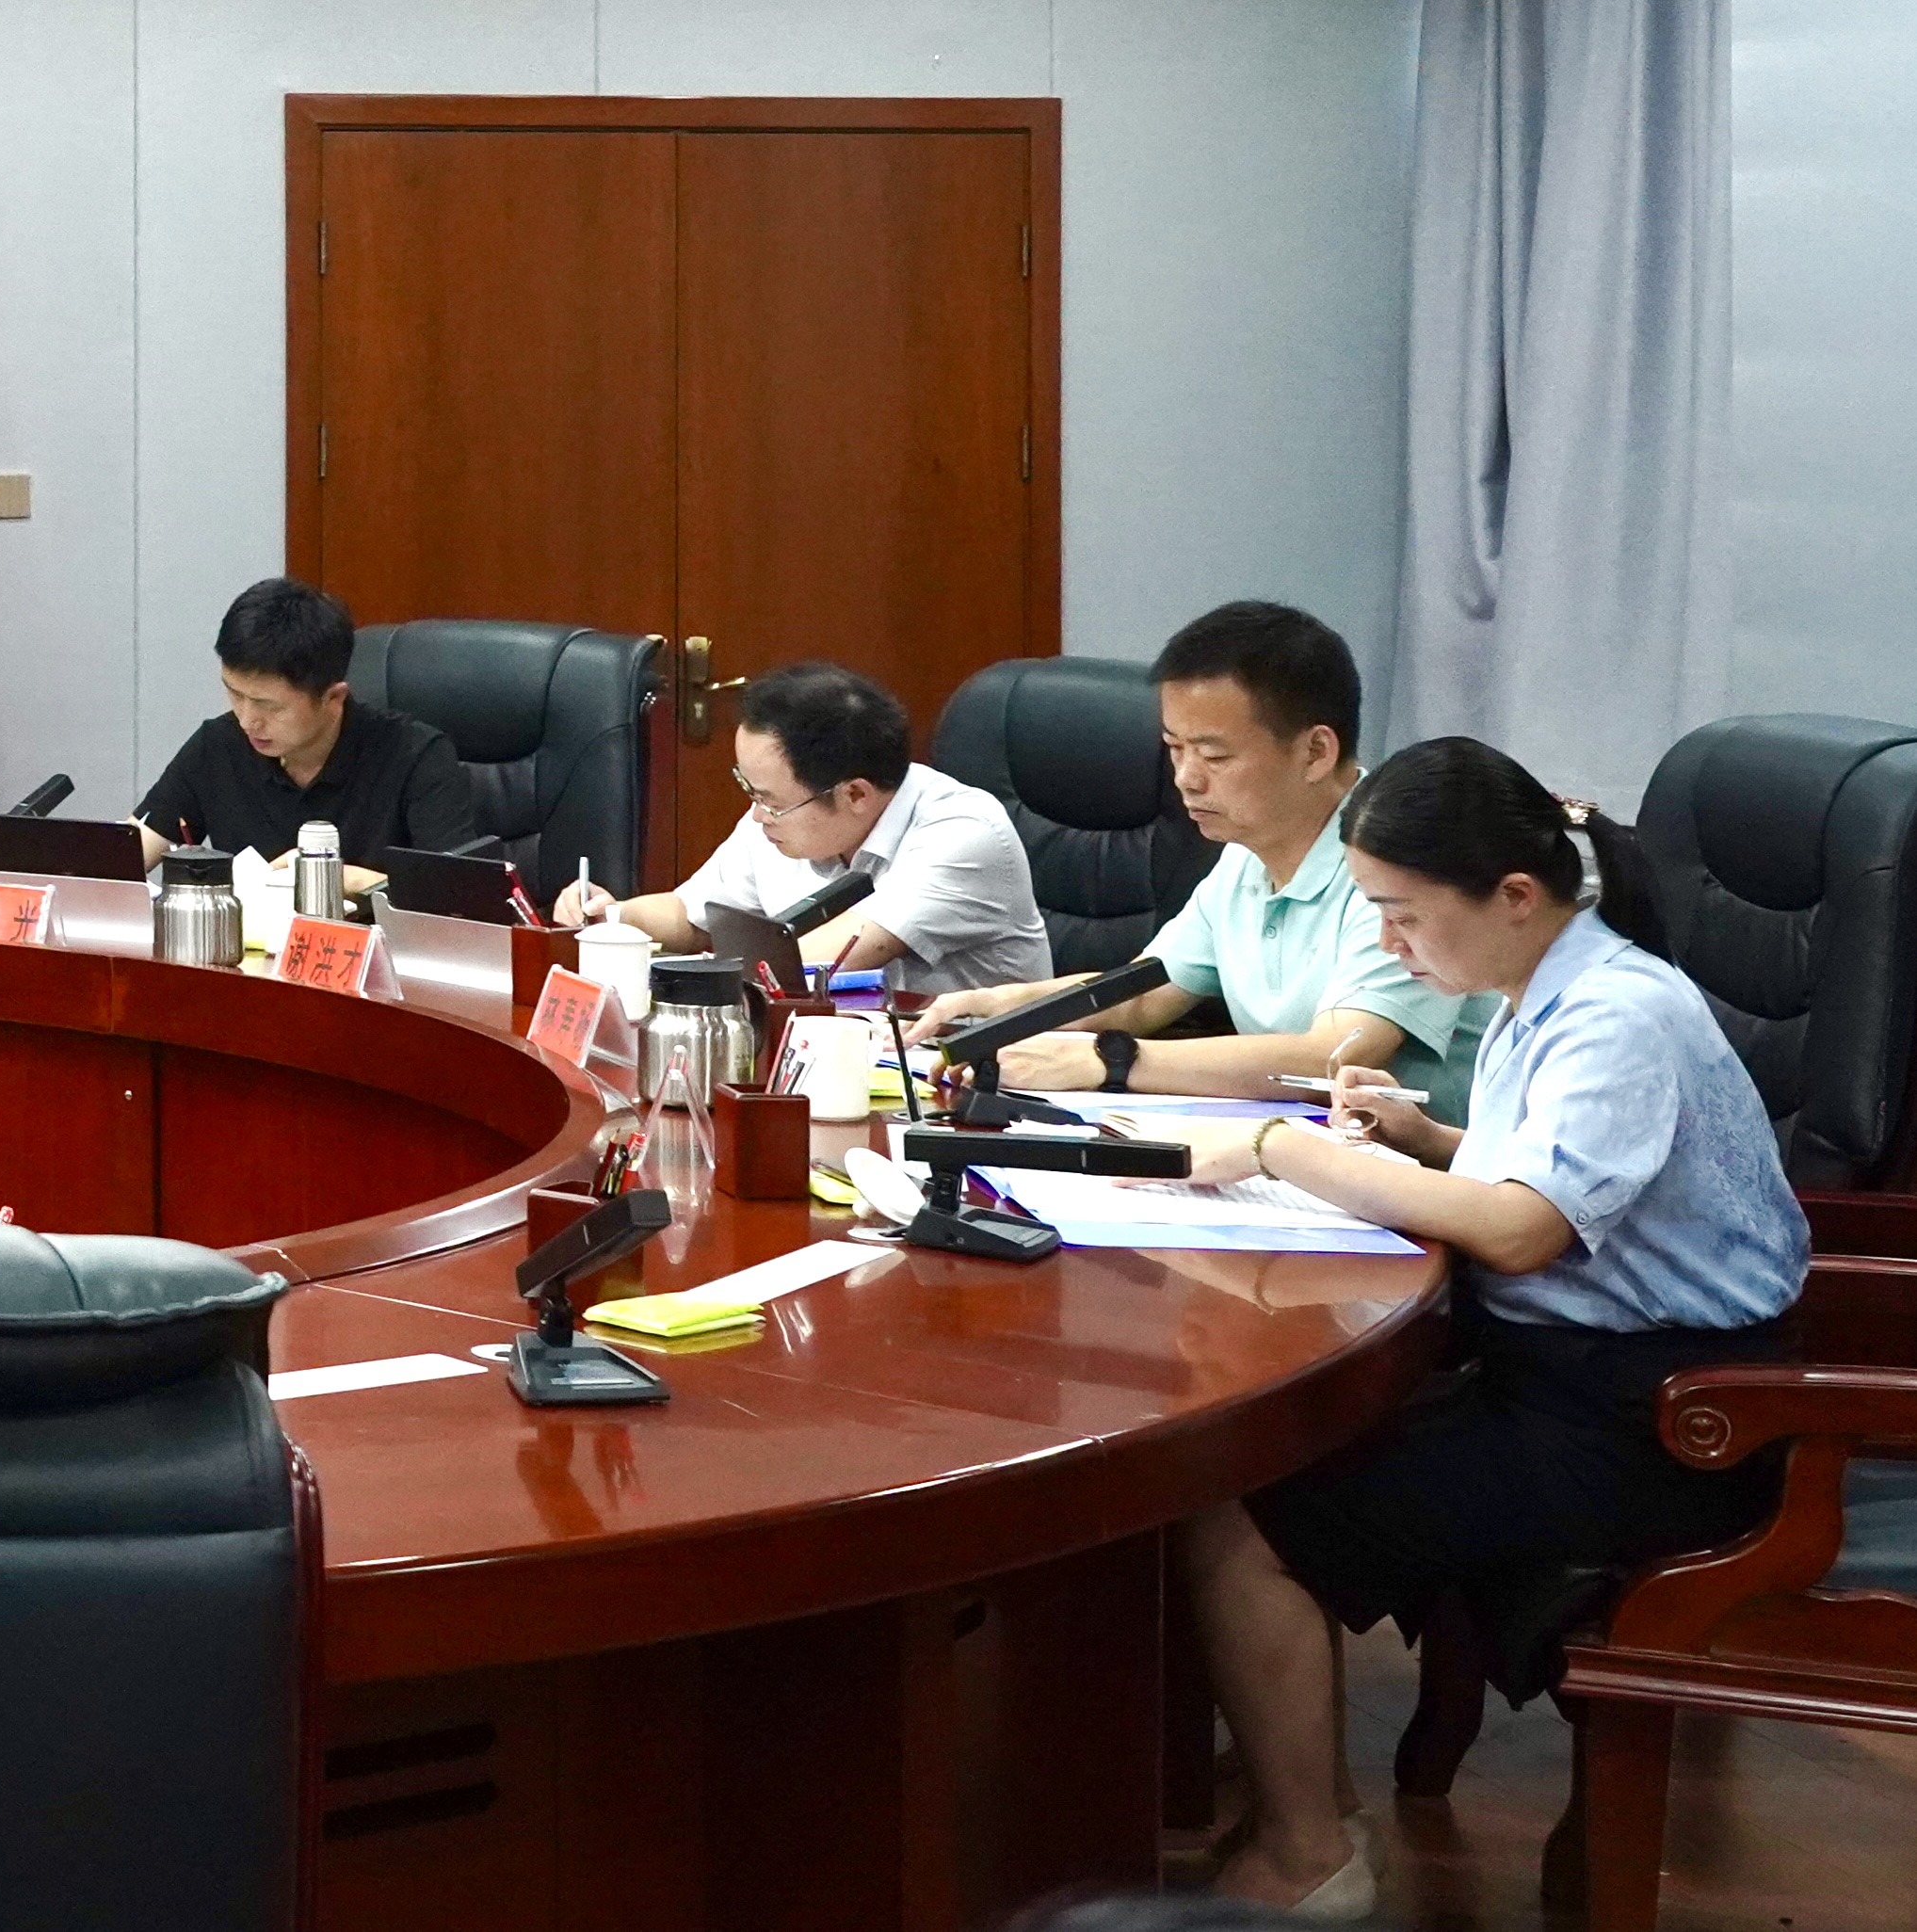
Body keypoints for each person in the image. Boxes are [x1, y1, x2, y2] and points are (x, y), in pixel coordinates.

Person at [1167, 736, 1805, 1915]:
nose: (1387, 947)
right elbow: (1559, 1175)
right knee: (1253, 1462)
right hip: (1579, 1378)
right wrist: (1427, 1143)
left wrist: (1277, 1146)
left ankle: (1309, 1858)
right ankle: (1296, 1805)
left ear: (1513, 894)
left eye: (1400, 915)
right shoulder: (1546, 985)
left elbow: (1519, 1231)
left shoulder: (1613, 1013)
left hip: (1659, 1423)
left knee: (1241, 1521)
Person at [913, 604, 1488, 1116]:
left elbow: (1331, 1059)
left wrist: (1109, 1060)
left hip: (1436, 1171)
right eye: (1174, 748)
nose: (1186, 779)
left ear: (1316, 751)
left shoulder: (1398, 861)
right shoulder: (1244, 857)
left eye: (1214, 755)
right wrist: (991, 1009)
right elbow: (1142, 994)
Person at [555, 658, 1049, 999]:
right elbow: (690, 916)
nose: (756, 816)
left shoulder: (963, 834)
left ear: (855, 795)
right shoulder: (781, 817)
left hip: (969, 1078)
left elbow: (806, 967)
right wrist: (612, 917)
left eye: (769, 801)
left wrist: (675, 977)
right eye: (750, 792)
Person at [130, 577, 478, 863]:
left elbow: (453, 896)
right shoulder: (218, 745)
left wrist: (338, 880)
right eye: (235, 694)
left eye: (269, 706)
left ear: (333, 699)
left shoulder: (416, 756)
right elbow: (127, 857)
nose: (248, 721)